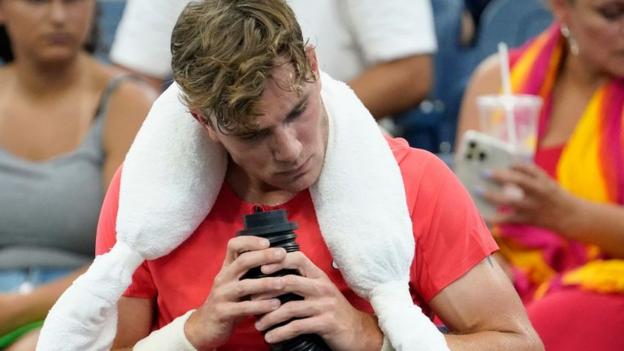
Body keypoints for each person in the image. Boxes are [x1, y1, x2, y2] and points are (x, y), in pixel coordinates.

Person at [91, 1, 543, 350]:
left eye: (297, 111)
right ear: (203, 122)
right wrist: (194, 331)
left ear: (312, 64)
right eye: (252, 134)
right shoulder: (145, 201)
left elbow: (518, 343)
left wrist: (368, 336)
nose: (289, 150)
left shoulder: (413, 182)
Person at [457, 0, 624, 350]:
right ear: (562, 8)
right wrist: (489, 262)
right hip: (510, 280)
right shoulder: (498, 81)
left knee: (538, 328)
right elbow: (465, 215)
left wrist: (567, 214)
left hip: (609, 281)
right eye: (612, 14)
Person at [0, 0, 154, 349]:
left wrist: (14, 307)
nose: (57, 17)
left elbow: (128, 255)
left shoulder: (129, 102)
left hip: (85, 304)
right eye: (37, 1)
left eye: (71, 1)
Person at [109, 0, 436, 120]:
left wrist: (292, 116)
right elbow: (132, 82)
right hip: (210, 149)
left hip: (337, 145)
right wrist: (220, 132)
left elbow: (410, 73)